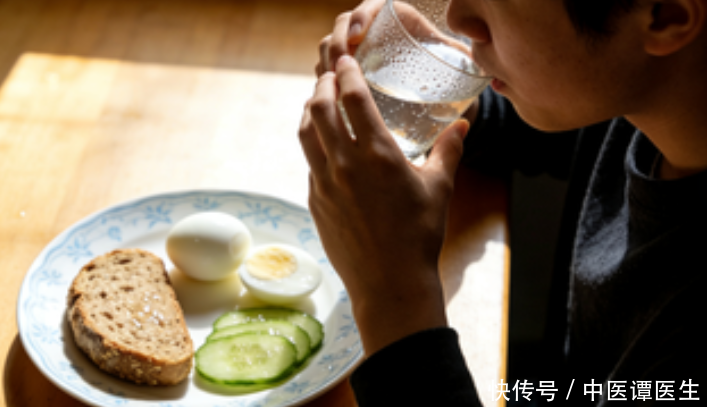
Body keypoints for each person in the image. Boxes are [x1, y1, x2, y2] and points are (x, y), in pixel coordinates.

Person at [298, 0, 707, 405]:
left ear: (665, 16)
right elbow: (550, 127)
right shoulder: (649, 110)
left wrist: (393, 295)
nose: (458, 17)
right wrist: (439, 91)